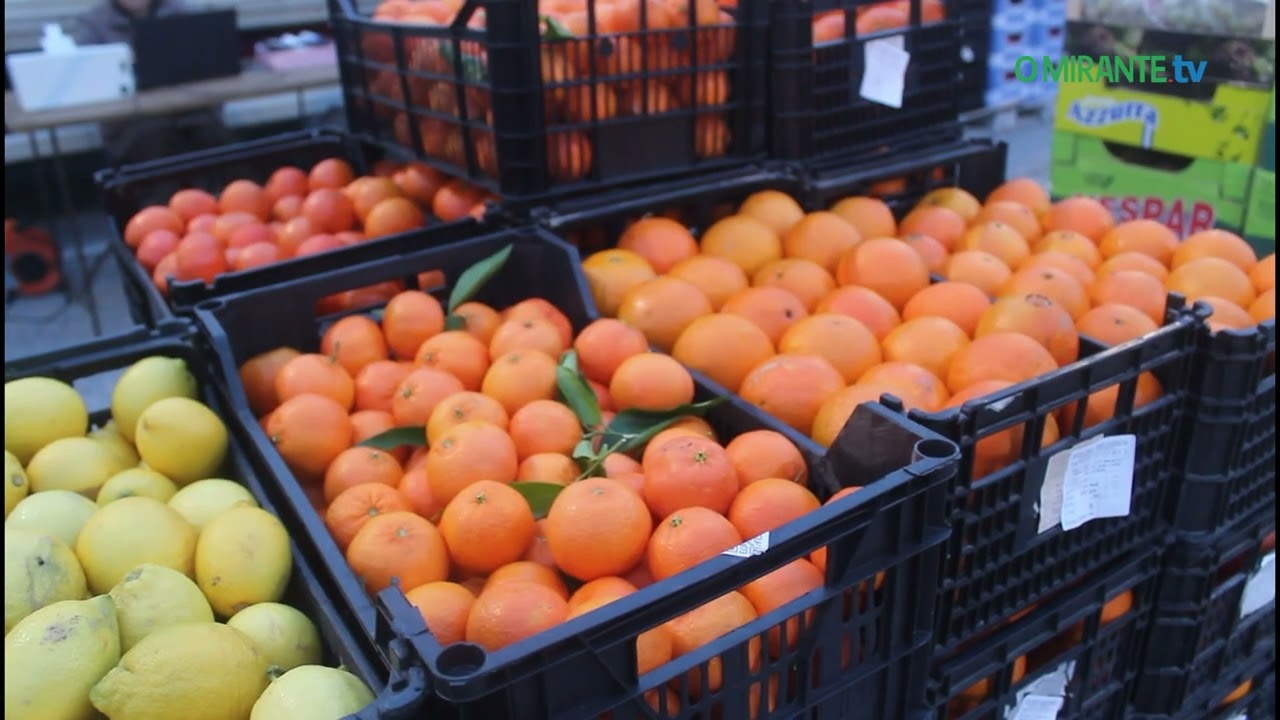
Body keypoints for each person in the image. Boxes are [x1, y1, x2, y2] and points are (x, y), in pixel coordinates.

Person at [72, 0, 236, 167]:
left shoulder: (179, 12)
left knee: (216, 141)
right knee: (156, 142)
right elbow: (85, 78)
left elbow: (208, 67)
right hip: (131, 124)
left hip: (190, 113)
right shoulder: (93, 24)